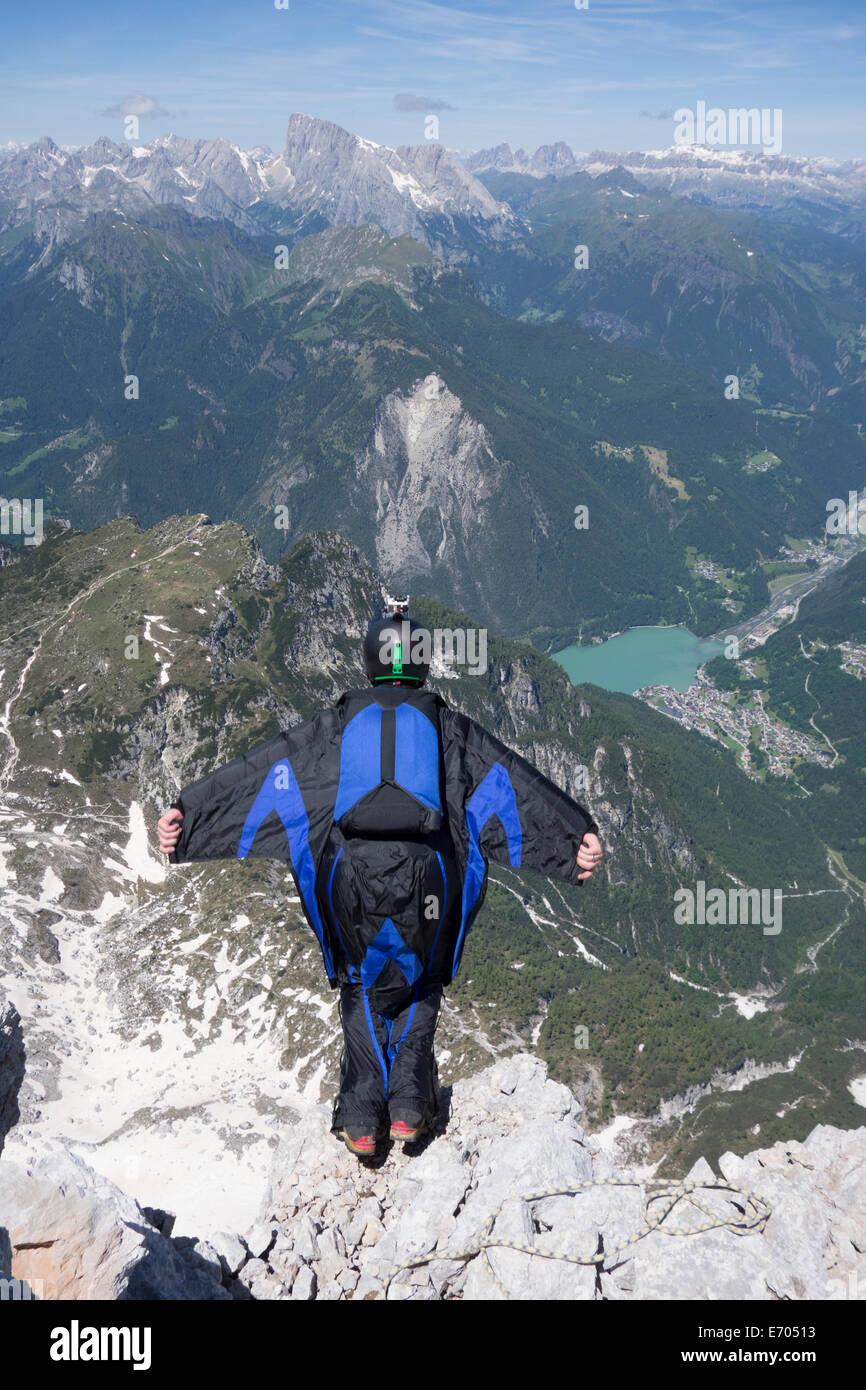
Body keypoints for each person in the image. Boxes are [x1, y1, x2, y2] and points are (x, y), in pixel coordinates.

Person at [157, 609, 603, 1159]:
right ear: (422, 664)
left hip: (351, 884)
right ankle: (411, 1109)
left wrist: (188, 817)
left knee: (358, 983)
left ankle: (363, 1118)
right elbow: (513, 784)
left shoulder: (334, 731)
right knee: (422, 982)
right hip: (427, 885)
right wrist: (574, 838)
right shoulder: (450, 730)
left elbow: (260, 773)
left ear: (370, 660)